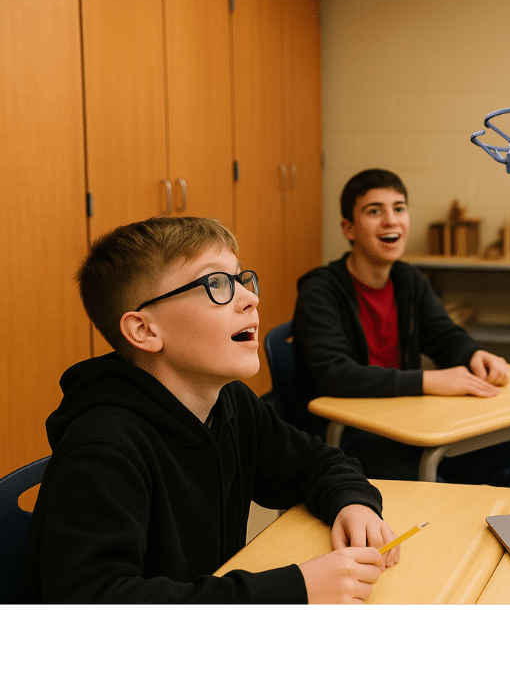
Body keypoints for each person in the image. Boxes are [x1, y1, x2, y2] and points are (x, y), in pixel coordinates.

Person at [27, 216, 400, 604]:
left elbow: (315, 463)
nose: (250, 298)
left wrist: (353, 502)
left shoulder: (228, 402)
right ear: (144, 330)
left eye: (240, 279)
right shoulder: (104, 449)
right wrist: (294, 591)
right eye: (216, 284)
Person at [292, 168, 510, 499]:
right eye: (374, 211)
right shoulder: (320, 291)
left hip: (405, 422)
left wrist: (473, 354)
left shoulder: (408, 280)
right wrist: (428, 382)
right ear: (349, 229)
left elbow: (443, 335)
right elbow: (334, 375)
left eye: (399, 208)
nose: (391, 221)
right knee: (443, 495)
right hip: (346, 434)